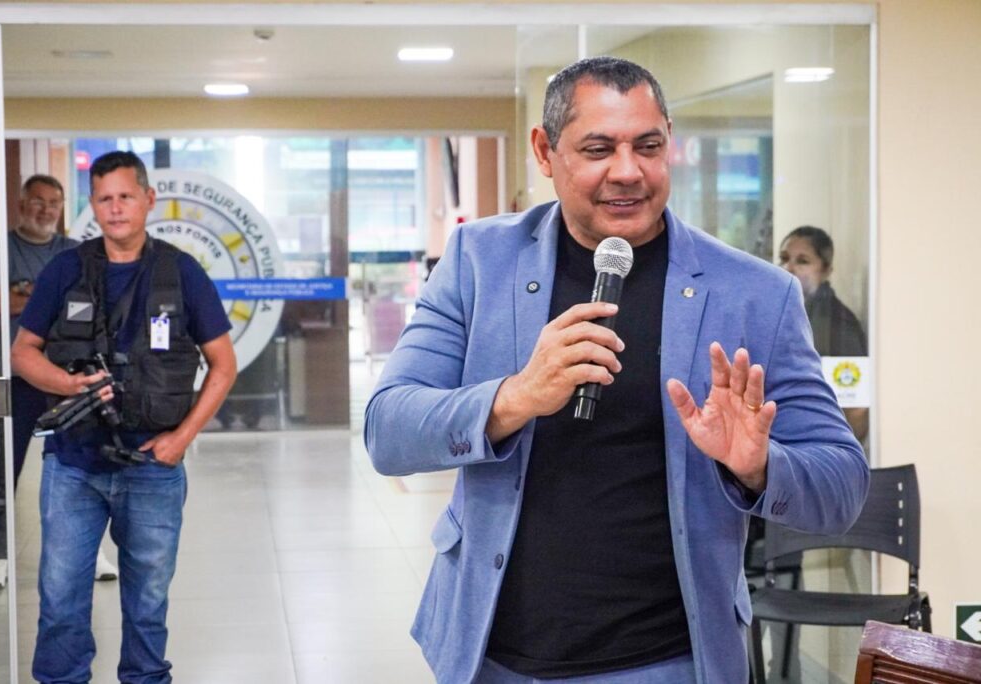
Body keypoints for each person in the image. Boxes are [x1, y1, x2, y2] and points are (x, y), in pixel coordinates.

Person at [364, 57, 869, 684]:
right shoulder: (476, 262)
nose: (627, 172)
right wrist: (517, 397)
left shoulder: (756, 295)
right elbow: (387, 430)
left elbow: (842, 486)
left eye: (649, 146)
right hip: (490, 652)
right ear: (545, 152)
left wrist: (757, 465)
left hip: (668, 660)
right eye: (598, 148)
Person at [11, 150, 237, 684]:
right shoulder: (66, 268)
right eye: (105, 199)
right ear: (94, 205)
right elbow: (24, 351)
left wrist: (182, 438)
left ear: (147, 200)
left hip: (153, 464)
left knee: (147, 606)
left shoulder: (181, 272)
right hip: (74, 465)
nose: (115, 209)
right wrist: (68, 384)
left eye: (126, 197)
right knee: (61, 600)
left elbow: (223, 365)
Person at [0, 174, 122, 590]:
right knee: (5, 466)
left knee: (81, 464)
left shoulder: (73, 252)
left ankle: (91, 551)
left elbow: (87, 306)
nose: (47, 209)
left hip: (65, 378)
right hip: (14, 375)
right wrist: (48, 297)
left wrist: (23, 292)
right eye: (38, 201)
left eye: (54, 202)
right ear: (22, 204)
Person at [779, 225, 868, 440]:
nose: (789, 268)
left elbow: (857, 408)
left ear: (826, 270)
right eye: (784, 258)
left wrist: (840, 457)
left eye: (803, 261)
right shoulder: (788, 313)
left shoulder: (837, 324)